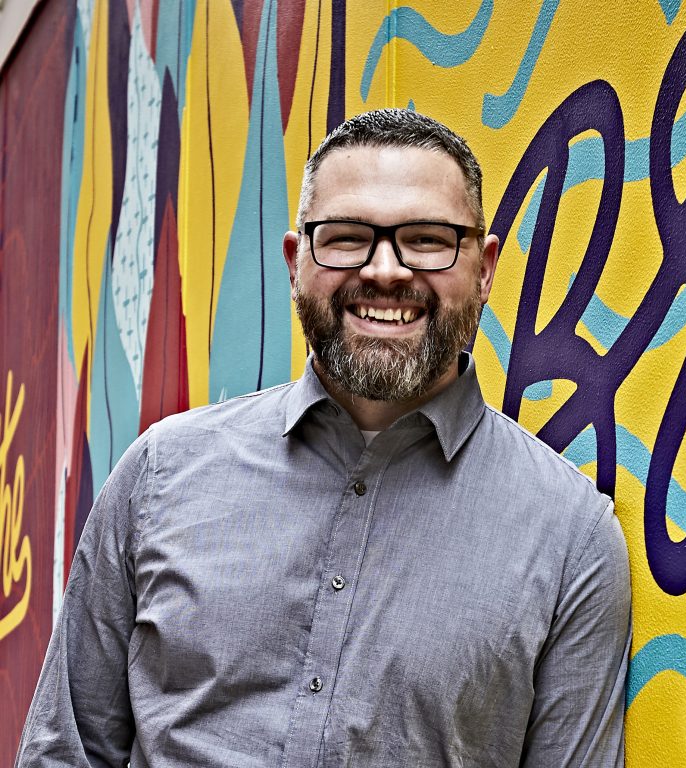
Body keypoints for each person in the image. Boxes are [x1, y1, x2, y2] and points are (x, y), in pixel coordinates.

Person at [17, 109, 631, 767]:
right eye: (345, 237)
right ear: (295, 262)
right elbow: (65, 751)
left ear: (483, 269)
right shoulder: (159, 475)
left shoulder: (572, 538)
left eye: (427, 238)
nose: (387, 270)